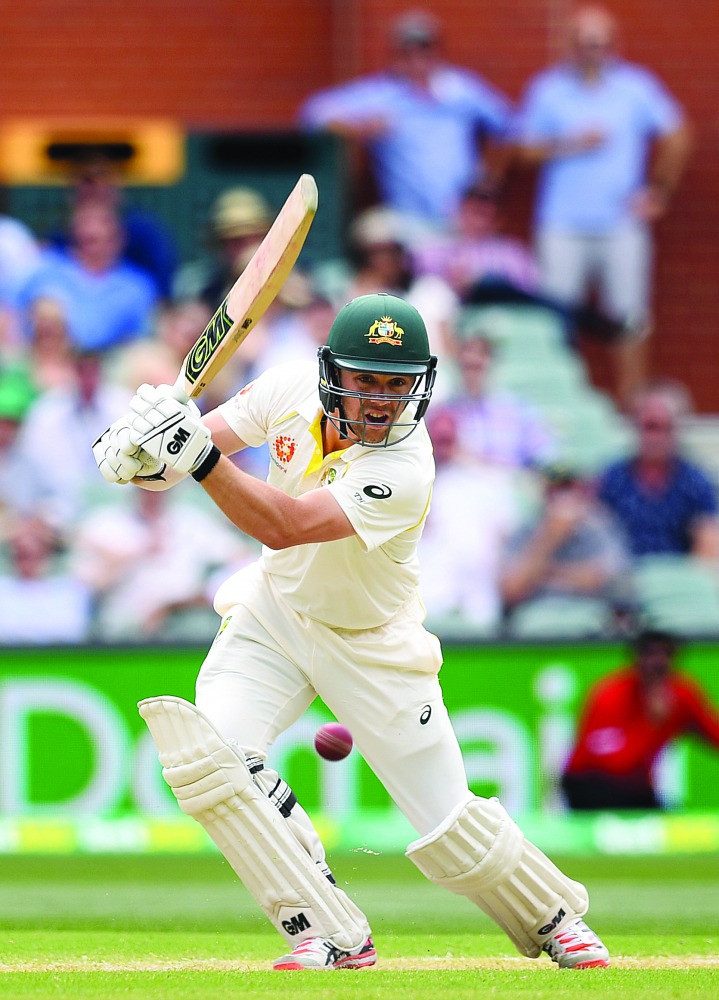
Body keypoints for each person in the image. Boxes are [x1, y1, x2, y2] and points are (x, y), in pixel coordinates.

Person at [92, 292, 609, 971]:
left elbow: (283, 521)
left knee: (447, 827)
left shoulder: (405, 468)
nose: (379, 401)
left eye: (396, 385)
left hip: (372, 642)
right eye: (365, 380)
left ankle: (555, 917)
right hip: (274, 612)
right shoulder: (286, 388)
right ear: (332, 372)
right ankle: (328, 932)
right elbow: (189, 450)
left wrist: (190, 458)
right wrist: (136, 455)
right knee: (211, 760)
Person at [514, 3, 692, 406]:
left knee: (630, 319)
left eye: (600, 41)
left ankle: (631, 407)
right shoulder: (548, 88)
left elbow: (679, 135)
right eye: (584, 41)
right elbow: (521, 151)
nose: (593, 49)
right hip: (560, 225)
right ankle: (562, 404)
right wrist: (570, 143)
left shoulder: (636, 87)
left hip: (621, 224)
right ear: (570, 44)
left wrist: (658, 191)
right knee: (556, 319)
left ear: (614, 45)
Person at [298, 10, 512, 230]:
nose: (417, 60)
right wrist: (359, 128)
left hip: (463, 218)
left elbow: (508, 126)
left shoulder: (462, 89)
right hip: (408, 220)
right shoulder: (381, 95)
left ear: (438, 51)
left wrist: (489, 177)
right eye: (408, 52)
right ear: (396, 55)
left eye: (425, 50)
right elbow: (313, 114)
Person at [562, 629, 719, 810]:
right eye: (650, 655)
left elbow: (713, 733)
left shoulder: (681, 693)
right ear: (637, 659)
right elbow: (607, 763)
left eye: (665, 655)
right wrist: (651, 724)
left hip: (638, 787)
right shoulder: (611, 693)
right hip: (591, 783)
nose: (657, 663)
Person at [500, 464, 632, 636]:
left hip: (591, 611)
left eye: (567, 488)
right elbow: (512, 589)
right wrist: (550, 537)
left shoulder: (601, 526)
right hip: (538, 612)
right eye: (554, 489)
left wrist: (543, 573)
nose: (561, 497)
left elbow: (605, 580)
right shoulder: (525, 529)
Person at [596, 380, 719, 560]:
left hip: (678, 575)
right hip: (621, 576)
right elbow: (597, 537)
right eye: (651, 427)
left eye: (666, 428)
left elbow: (709, 538)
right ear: (635, 424)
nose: (657, 438)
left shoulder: (696, 481)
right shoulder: (611, 477)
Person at [19, 201, 159, 353]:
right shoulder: (46, 271)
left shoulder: (137, 287)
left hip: (111, 367)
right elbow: (14, 320)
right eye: (86, 240)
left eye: (99, 239)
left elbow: (142, 341)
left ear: (118, 239)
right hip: (44, 361)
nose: (94, 248)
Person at [411, 182, 541, 298]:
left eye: (485, 215)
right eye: (473, 212)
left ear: (499, 220)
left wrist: (481, 282)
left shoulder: (512, 253)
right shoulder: (434, 247)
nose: (478, 222)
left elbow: (527, 288)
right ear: (460, 211)